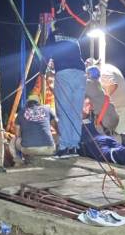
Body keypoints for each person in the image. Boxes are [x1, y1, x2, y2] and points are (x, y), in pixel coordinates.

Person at [42, 22, 86, 156]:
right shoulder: (73, 36)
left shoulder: (54, 35)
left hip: (64, 73)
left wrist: (42, 71)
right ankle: (74, 146)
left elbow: (46, 54)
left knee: (64, 111)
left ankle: (64, 147)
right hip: (80, 73)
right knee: (76, 111)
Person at [12, 94, 58, 164]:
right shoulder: (47, 109)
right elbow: (56, 127)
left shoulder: (21, 112)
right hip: (49, 149)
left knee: (13, 140)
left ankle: (18, 160)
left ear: (27, 103)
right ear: (39, 102)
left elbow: (17, 134)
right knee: (58, 135)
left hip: (28, 149)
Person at [99, 61, 125, 145]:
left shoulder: (104, 71)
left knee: (118, 135)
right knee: (118, 133)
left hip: (124, 107)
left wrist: (106, 99)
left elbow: (113, 85)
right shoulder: (109, 67)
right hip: (121, 106)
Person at [84, 64, 119, 135]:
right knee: (110, 135)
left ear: (89, 74)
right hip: (114, 114)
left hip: (105, 118)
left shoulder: (88, 83)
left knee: (102, 139)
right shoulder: (98, 84)